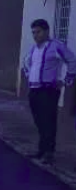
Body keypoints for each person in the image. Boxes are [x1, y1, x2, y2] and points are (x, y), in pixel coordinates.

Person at [22, 19, 76, 165]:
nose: (35, 35)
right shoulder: (34, 49)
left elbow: (72, 61)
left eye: (38, 32)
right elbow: (26, 63)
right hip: (34, 90)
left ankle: (49, 152)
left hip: (48, 90)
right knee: (38, 121)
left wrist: (65, 81)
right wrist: (29, 77)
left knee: (48, 122)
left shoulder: (56, 46)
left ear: (46, 31)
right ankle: (41, 149)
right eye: (33, 32)